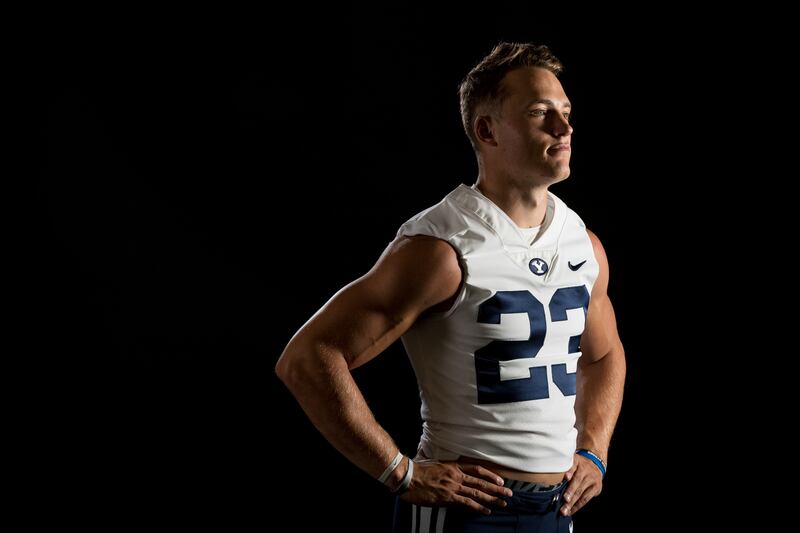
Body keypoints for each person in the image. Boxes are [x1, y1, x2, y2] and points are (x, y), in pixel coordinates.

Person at [276, 42, 625, 532]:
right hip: (466, 514)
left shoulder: (582, 242)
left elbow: (604, 355)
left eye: (565, 113)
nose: (564, 129)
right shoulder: (443, 247)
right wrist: (398, 470)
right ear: (487, 130)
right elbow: (309, 357)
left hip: (555, 509)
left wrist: (596, 450)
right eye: (540, 113)